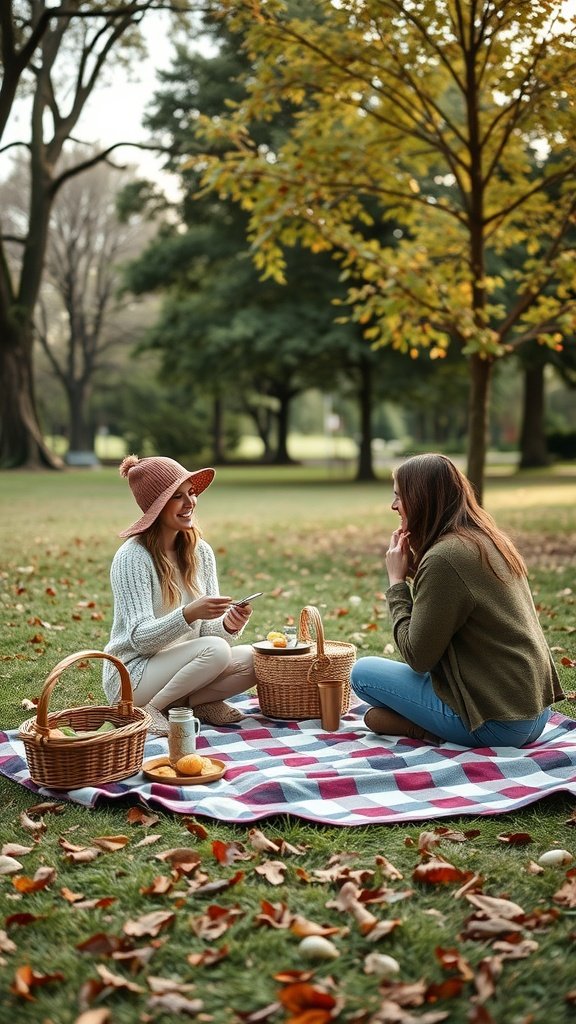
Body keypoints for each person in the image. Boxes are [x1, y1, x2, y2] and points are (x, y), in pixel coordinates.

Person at [351, 453, 564, 747]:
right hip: (535, 714)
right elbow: (451, 606)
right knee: (375, 711)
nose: (393, 505)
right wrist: (415, 569)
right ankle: (425, 724)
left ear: (422, 499)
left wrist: (397, 583)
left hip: (496, 723)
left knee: (362, 674)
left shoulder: (445, 557)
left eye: (400, 496)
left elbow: (418, 657)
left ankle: (424, 730)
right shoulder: (485, 538)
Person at [102, 454, 258, 735]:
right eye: (177, 496)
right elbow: (140, 640)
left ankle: (196, 705)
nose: (190, 503)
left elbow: (207, 635)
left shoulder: (201, 552)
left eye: (191, 493)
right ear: (157, 506)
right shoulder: (133, 558)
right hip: (132, 677)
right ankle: (148, 713)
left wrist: (228, 623)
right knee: (217, 651)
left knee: (255, 658)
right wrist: (189, 613)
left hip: (186, 667)